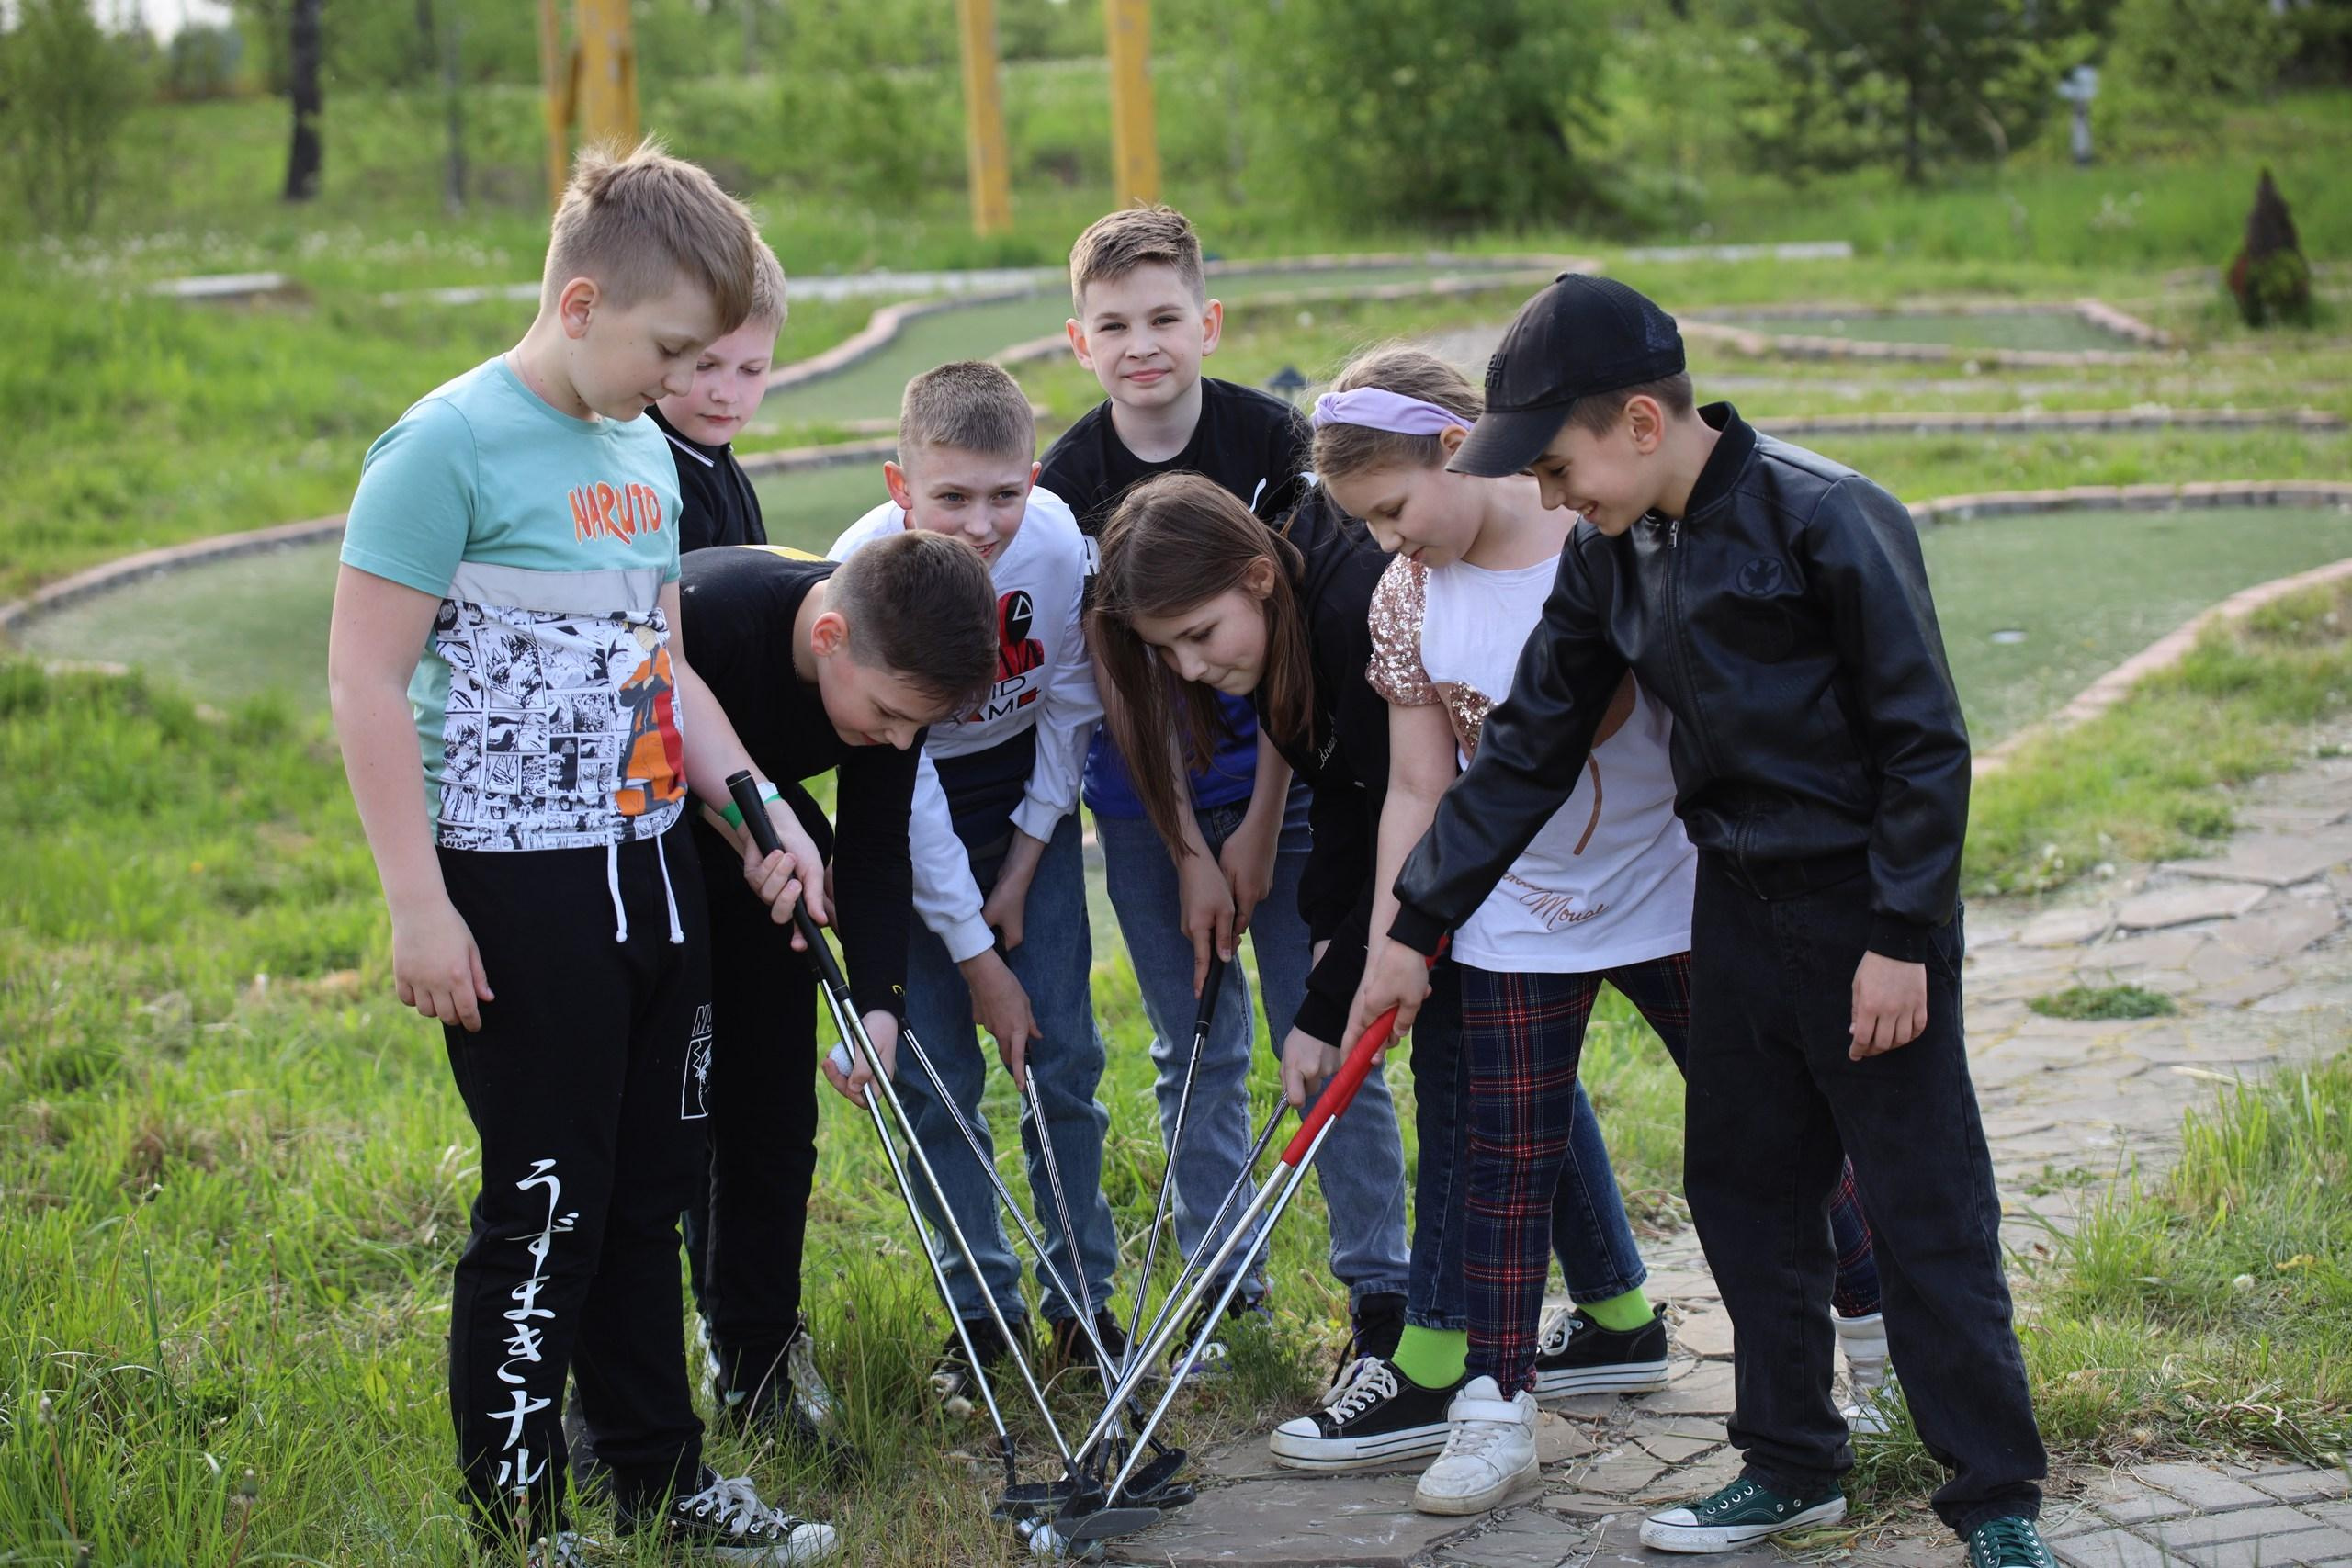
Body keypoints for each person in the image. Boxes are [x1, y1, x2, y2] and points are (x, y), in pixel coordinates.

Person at [1352, 275, 2050, 1563]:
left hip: (1866, 919)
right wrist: (1413, 925)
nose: (1551, 495)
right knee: (1746, 1195)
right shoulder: (1610, 552)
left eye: (1557, 466)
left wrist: (1901, 938)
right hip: (1728, 905)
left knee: (1924, 1205)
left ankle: (1997, 1500)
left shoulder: (1830, 517)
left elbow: (1924, 747)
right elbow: (1526, 751)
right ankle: (1790, 1464)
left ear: (1638, 421)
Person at [327, 139, 837, 1564]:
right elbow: (364, 681)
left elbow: (664, 668)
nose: (681, 380)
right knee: (547, 1203)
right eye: (668, 349)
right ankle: (520, 1518)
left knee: (649, 1192)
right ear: (579, 302)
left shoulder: (640, 454)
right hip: (514, 888)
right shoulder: (443, 445)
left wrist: (761, 814)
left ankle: (663, 1482)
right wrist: (417, 905)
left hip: (653, 874)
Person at [1320, 346, 1897, 1515]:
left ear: (1455, 449)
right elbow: (1421, 788)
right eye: (1365, 525)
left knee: (1779, 1137)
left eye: (1390, 509)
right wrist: (1394, 940)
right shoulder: (1407, 596)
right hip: (1514, 912)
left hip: (1677, 888)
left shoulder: (1600, 531)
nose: (1386, 540)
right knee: (1502, 1161)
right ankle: (1495, 1408)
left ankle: (1882, 1346)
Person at [1038, 205, 1413, 1370]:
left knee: (1324, 1020)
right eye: (1113, 325)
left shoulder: (1273, 439)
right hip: (1146, 804)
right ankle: (1221, 1288)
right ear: (1079, 342)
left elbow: (1291, 656)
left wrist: (1252, 833)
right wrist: (1191, 853)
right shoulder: (1068, 481)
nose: (1141, 344)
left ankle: (1381, 1289)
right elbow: (1124, 683)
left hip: (1287, 788)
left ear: (1206, 323)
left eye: (1163, 318)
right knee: (1192, 1044)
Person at [1091, 471, 1471, 1471]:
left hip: (1481, 853)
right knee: (1494, 1077)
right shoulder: (1274, 646)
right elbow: (1343, 793)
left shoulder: (1344, 611)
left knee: (1475, 1083)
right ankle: (1614, 1313)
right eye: (1166, 651)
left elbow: (1403, 802)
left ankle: (1428, 1352)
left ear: (1258, 578)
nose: (1189, 666)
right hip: (1421, 861)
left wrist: (1326, 997)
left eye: (1199, 635)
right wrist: (1329, 952)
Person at [664, 527, 998, 1471]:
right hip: (651, 844)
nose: (896, 740)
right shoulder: (715, 618)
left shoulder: (892, 682)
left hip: (774, 850)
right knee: (670, 1127)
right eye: (889, 716)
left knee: (774, 1120)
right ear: (829, 640)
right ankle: (618, 1400)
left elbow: (877, 846)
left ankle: (759, 1362)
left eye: (914, 728)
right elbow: (640, 750)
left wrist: (879, 1008)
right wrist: (740, 825)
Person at [829, 360, 1122, 1393]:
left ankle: (1081, 1302)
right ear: (900, 485)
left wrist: (1030, 855)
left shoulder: (1056, 544)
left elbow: (1071, 704)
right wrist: (973, 950)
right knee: (936, 1074)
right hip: (903, 797)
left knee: (1061, 1055)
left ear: (1034, 480)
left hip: (1024, 794)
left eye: (1004, 494)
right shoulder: (863, 570)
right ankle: (982, 1313)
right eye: (951, 496)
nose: (982, 524)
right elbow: (897, 780)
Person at [651, 240, 784, 553]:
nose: (726, 394)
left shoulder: (711, 453)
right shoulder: (659, 479)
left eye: (751, 370)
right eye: (704, 365)